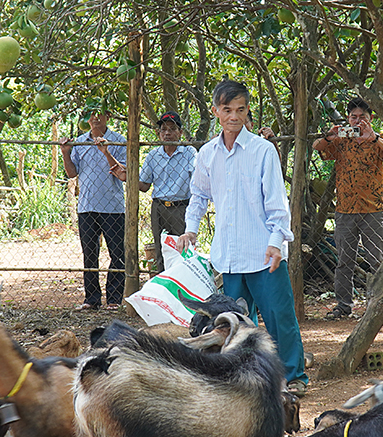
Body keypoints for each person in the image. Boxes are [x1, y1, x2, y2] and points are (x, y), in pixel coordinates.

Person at [177, 79, 308, 395]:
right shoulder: (207, 154)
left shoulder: (263, 151)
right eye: (227, 110)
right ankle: (243, 378)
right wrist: (190, 228)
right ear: (216, 112)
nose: (234, 116)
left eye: (240, 109)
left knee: (279, 319)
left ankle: (293, 377)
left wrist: (277, 241)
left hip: (265, 252)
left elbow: (277, 200)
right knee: (232, 323)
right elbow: (198, 194)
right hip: (229, 256)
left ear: (247, 111)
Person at [313, 96, 383, 320]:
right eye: (353, 117)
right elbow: (318, 148)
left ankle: (378, 305)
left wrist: (374, 137)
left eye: (362, 117)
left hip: (373, 209)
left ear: (370, 118)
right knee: (344, 262)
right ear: (348, 119)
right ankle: (343, 306)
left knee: (377, 261)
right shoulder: (342, 140)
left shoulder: (379, 139)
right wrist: (328, 136)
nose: (358, 121)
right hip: (345, 210)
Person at [60, 106, 127, 311]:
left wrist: (106, 152)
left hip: (113, 207)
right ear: (86, 119)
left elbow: (123, 174)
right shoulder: (80, 143)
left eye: (100, 113)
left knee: (117, 253)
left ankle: (114, 299)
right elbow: (72, 174)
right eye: (91, 114)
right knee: (89, 253)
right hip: (87, 206)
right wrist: (65, 153)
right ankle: (92, 299)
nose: (95, 118)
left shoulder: (119, 141)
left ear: (108, 116)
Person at [137, 111, 197, 273]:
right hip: (159, 208)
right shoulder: (153, 156)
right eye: (163, 130)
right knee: (160, 249)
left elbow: (197, 180)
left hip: (181, 207)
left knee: (184, 249)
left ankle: (184, 286)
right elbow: (144, 186)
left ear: (180, 132)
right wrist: (128, 176)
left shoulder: (189, 153)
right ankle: (164, 286)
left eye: (172, 129)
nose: (168, 133)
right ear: (159, 133)